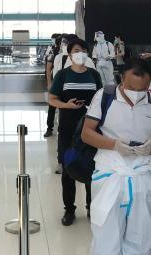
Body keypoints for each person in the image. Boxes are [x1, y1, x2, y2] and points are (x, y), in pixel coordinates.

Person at [82, 58, 151, 255]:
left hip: (143, 177)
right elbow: (87, 133)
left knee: (144, 238)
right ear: (122, 79)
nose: (137, 93)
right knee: (106, 238)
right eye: (132, 88)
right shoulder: (104, 97)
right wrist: (114, 145)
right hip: (109, 175)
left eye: (143, 89)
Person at [48, 37, 103, 226]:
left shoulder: (94, 75)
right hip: (68, 127)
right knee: (68, 167)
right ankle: (69, 209)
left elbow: (101, 98)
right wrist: (66, 105)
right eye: (76, 51)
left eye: (83, 51)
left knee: (91, 166)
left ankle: (91, 207)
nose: (80, 54)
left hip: (90, 128)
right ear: (70, 55)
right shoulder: (63, 75)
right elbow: (52, 98)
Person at [44, 35, 62, 138]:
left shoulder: (70, 53)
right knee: (52, 105)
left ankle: (62, 128)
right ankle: (49, 128)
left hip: (65, 83)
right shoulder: (53, 52)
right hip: (55, 82)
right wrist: (49, 83)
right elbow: (48, 68)